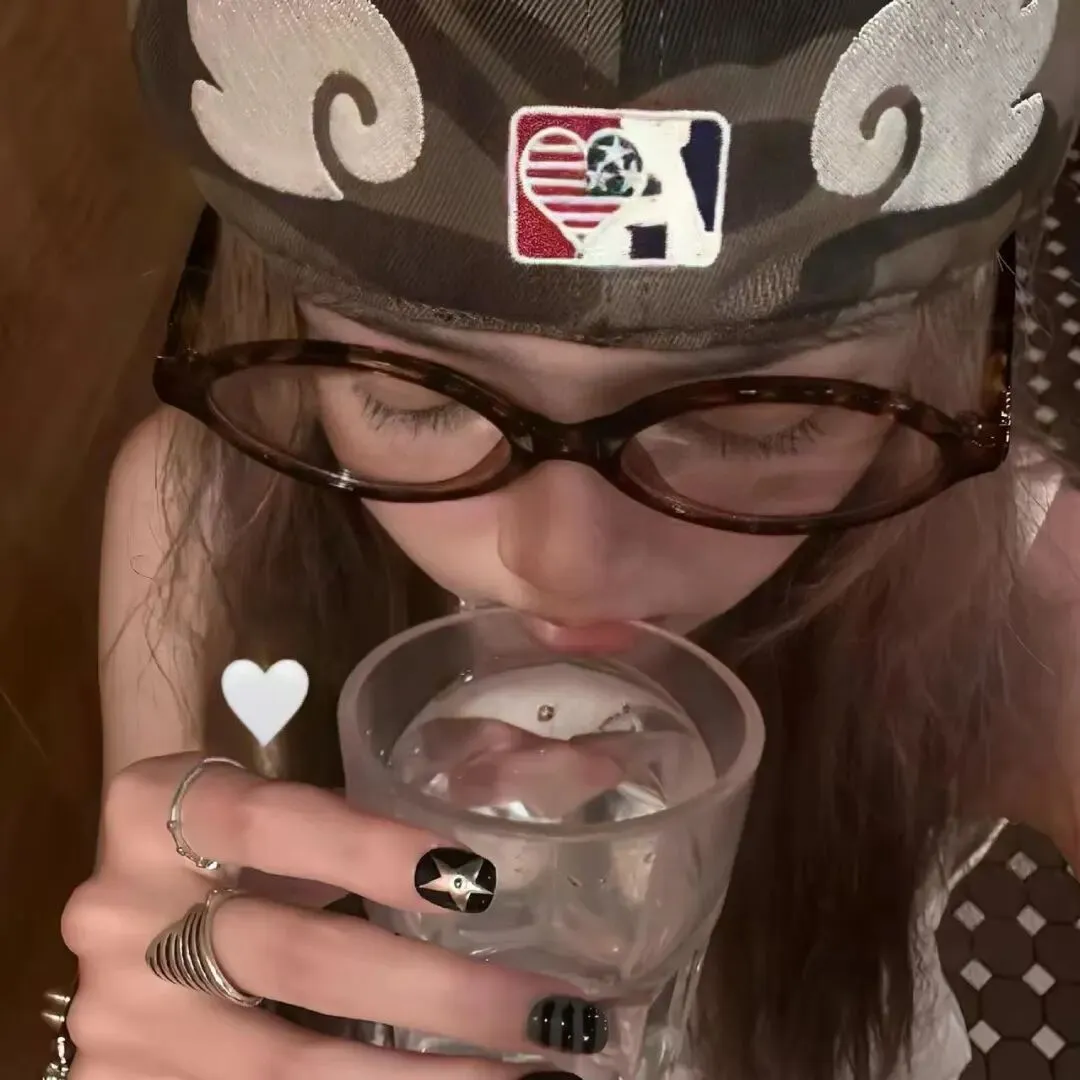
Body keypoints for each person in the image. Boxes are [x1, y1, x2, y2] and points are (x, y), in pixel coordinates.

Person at [51, 1, 1080, 1078]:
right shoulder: (210, 511)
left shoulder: (1027, 599)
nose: (566, 562)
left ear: (946, 356)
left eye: (761, 416)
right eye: (410, 393)